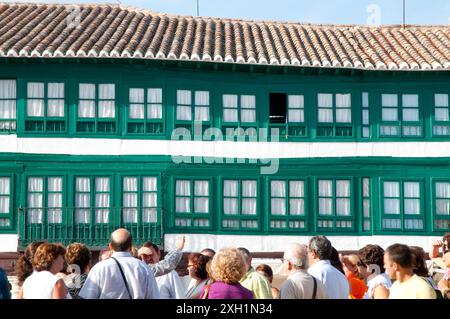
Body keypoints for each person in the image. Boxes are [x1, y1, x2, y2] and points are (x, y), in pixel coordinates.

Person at [78, 228, 159, 299]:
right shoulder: (144, 268)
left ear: (110, 246)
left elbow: (88, 296)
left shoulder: (99, 268)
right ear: (131, 246)